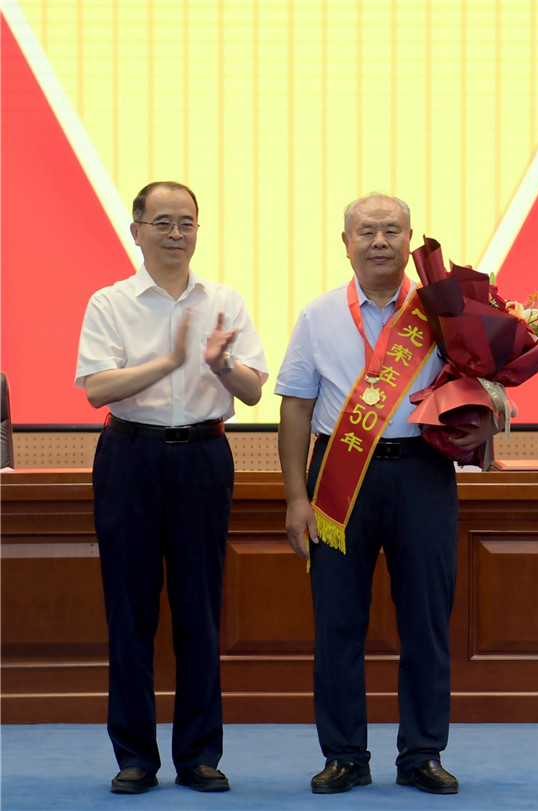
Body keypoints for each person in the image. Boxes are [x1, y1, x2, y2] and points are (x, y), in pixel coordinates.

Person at [275, 193, 502, 795]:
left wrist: (491, 420)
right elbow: (295, 408)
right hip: (339, 476)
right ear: (345, 243)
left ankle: (422, 753)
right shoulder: (318, 315)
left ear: (409, 240)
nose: (379, 241)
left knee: (426, 621)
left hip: (422, 475)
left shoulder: (443, 312)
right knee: (338, 624)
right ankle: (345, 755)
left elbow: (490, 386)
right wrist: (296, 497)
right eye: (367, 231)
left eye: (392, 231)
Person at [75, 181, 268, 795]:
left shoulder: (225, 300)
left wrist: (219, 364)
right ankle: (135, 757)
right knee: (129, 612)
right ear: (137, 231)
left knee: (199, 610)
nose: (175, 233)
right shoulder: (110, 302)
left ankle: (199, 756)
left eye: (186, 222)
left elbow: (253, 391)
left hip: (203, 457)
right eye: (162, 222)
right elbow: (97, 389)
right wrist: (168, 361)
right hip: (129, 456)